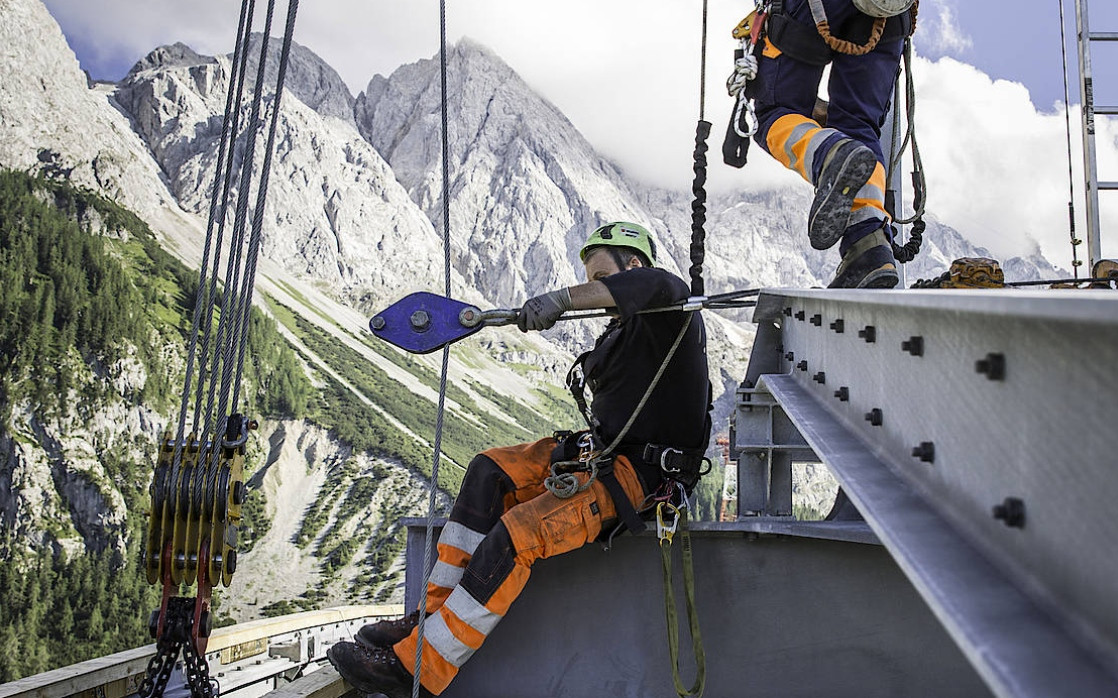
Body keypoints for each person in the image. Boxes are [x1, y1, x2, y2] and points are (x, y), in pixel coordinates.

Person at [327, 221, 712, 697]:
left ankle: (417, 670)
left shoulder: (668, 309)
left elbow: (660, 285)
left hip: (643, 475)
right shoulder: (625, 333)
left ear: (631, 265)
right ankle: (427, 620)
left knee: (521, 532)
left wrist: (563, 300)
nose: (596, 288)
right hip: (605, 456)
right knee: (491, 470)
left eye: (601, 276)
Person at [751, 0, 916, 288]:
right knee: (859, 127)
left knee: (775, 113)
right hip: (889, 11)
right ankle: (867, 243)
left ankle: (829, 154)